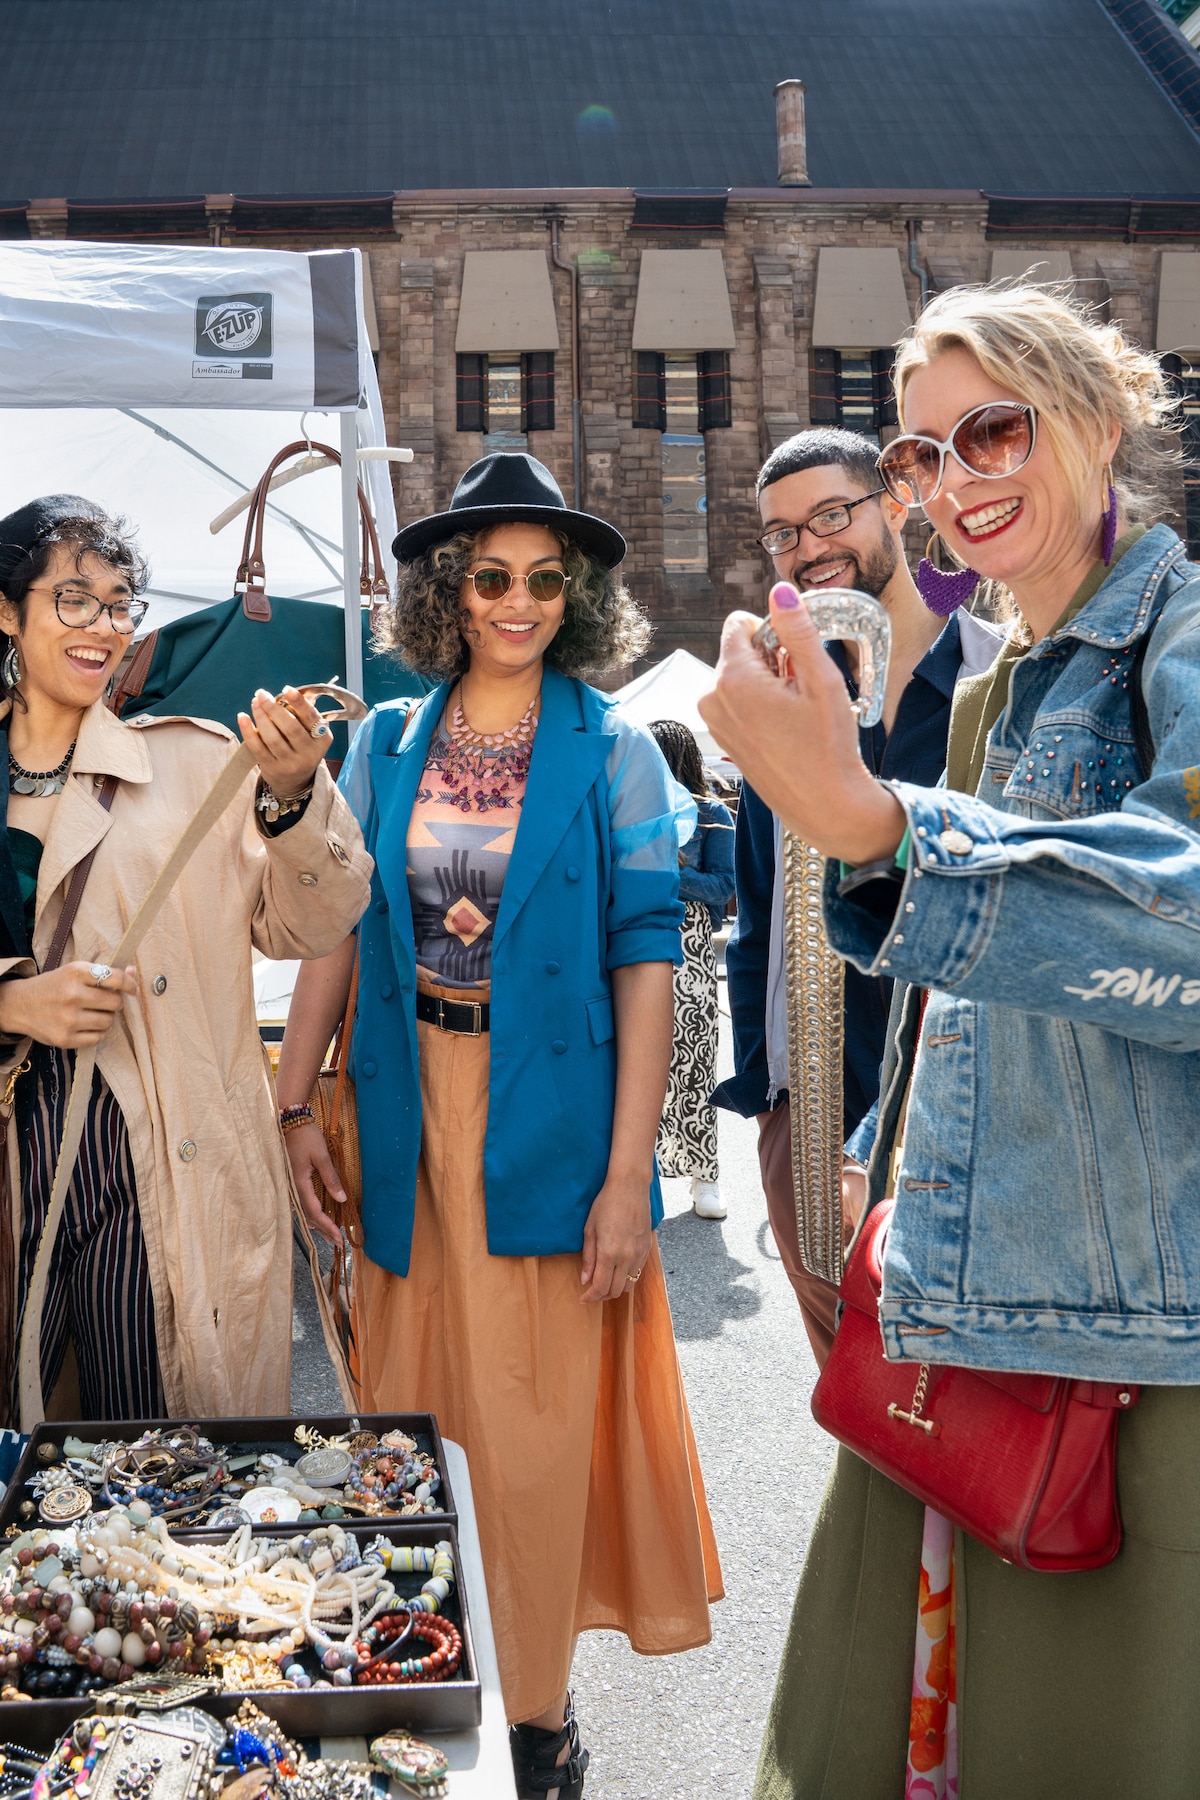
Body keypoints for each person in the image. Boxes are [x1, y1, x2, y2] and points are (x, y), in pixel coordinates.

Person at [702, 282, 1200, 1798]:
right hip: (948, 1289)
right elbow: (957, 994)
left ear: (1095, 419)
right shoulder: (997, 681)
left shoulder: (1179, 634)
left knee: (1088, 1741)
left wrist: (875, 823)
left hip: (1125, 1335)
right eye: (920, 456)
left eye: (992, 431)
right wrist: (880, 1152)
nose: (951, 483)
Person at [276, 454, 722, 1800]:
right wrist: (295, 1101)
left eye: (544, 580)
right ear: (446, 594)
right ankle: (423, 1685)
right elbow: (337, 928)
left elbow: (647, 956)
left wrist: (631, 1176)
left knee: (529, 1445)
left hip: (553, 1121)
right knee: (412, 1427)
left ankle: (535, 1722)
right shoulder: (383, 742)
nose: (518, 602)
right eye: (490, 578)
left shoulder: (617, 749)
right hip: (402, 1107)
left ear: (576, 597)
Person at [0, 495, 371, 1422]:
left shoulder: (195, 766)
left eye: (119, 604)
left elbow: (315, 924)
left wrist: (293, 796)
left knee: (153, 1439)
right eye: (74, 599)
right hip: (13, 1155)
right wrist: (11, 1003)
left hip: (153, 1161)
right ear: (7, 611)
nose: (104, 627)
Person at [713, 428, 1000, 1365]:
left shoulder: (998, 682)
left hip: (968, 1104)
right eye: (782, 534)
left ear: (896, 504)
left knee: (976, 1402)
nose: (809, 546)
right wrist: (774, 1107)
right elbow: (756, 917)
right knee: (854, 1394)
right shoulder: (781, 704)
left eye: (831, 514)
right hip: (816, 1110)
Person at [646, 718, 734, 1220]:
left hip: (690, 945)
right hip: (635, 937)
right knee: (636, 1057)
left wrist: (670, 872)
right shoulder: (629, 807)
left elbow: (724, 884)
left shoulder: (710, 813)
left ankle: (706, 1176)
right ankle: (647, 1171)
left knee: (695, 1058)